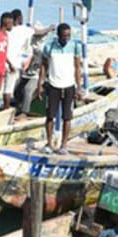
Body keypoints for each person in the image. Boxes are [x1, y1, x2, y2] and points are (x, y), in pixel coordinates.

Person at [36, 23, 83, 152]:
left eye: (68, 36)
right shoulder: (49, 47)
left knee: (67, 117)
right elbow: (44, 66)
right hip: (53, 85)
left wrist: (79, 87)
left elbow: (78, 67)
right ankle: (49, 143)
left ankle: (64, 145)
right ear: (58, 36)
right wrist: (40, 84)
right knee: (50, 116)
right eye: (63, 36)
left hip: (69, 86)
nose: (66, 39)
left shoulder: (75, 46)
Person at [4, 9, 51, 118]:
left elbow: (44, 68)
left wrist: (41, 83)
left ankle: (24, 112)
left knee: (28, 89)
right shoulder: (27, 47)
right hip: (25, 75)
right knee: (16, 88)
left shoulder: (43, 50)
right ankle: (18, 106)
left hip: (37, 76)